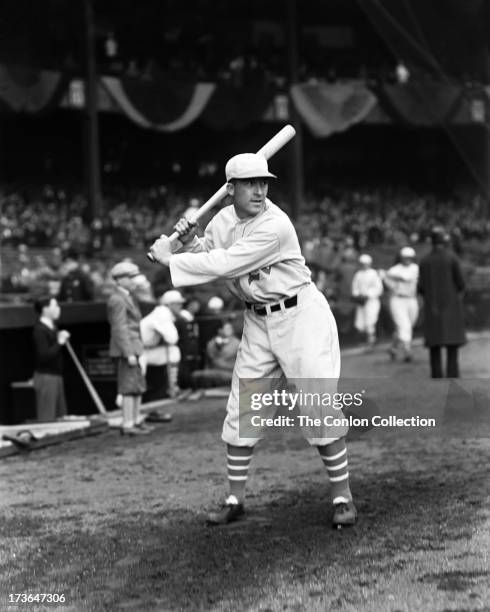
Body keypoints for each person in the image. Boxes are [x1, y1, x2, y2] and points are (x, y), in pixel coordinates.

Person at [149, 152, 357, 528]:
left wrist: (168, 259)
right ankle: (235, 499)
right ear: (230, 189)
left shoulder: (276, 225)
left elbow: (226, 265)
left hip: (301, 317)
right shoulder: (223, 220)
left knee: (317, 404)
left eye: (264, 182)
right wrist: (189, 241)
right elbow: (210, 254)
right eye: (250, 184)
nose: (260, 190)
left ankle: (342, 497)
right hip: (258, 320)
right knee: (242, 407)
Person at [107, 261, 150, 436]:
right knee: (128, 387)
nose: (134, 280)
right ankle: (128, 424)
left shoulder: (127, 296)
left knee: (137, 386)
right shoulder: (117, 299)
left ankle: (135, 421)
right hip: (128, 350)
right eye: (130, 277)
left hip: (135, 347)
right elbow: (119, 328)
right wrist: (129, 352)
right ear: (119, 280)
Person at [418, 226, 466, 378]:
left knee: (435, 344)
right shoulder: (451, 257)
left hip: (432, 306)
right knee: (452, 344)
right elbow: (461, 282)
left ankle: (436, 374)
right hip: (451, 305)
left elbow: (420, 287)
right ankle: (453, 373)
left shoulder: (424, 261)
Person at [32, 296, 70, 421]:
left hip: (56, 375)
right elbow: (44, 355)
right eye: (55, 306)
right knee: (47, 416)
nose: (59, 309)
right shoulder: (39, 330)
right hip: (46, 377)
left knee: (60, 415)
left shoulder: (53, 327)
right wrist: (59, 342)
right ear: (45, 309)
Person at [140, 291, 181, 399]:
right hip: (136, 351)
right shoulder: (162, 313)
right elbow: (172, 338)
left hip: (147, 351)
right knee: (134, 385)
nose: (180, 306)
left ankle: (172, 386)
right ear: (169, 304)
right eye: (178, 303)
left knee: (174, 351)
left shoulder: (164, 313)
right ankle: (123, 407)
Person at [383, 246, 419, 362]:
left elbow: (410, 278)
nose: (407, 259)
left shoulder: (415, 268)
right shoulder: (395, 269)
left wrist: (397, 278)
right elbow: (387, 281)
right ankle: (407, 350)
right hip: (398, 300)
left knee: (408, 325)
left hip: (411, 299)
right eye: (405, 257)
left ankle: (393, 347)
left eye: (410, 257)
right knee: (404, 325)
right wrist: (395, 280)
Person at [191, 320, 240, 389]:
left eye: (230, 328)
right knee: (196, 375)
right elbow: (210, 359)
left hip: (230, 371)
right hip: (214, 370)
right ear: (220, 330)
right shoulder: (212, 343)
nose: (230, 330)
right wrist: (217, 347)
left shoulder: (237, 343)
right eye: (227, 328)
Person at [351, 254, 383, 349]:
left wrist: (368, 294)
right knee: (360, 322)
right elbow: (354, 287)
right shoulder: (358, 274)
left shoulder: (373, 273)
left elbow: (378, 288)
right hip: (361, 302)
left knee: (370, 320)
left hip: (371, 301)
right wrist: (357, 295)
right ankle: (363, 341)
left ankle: (371, 340)